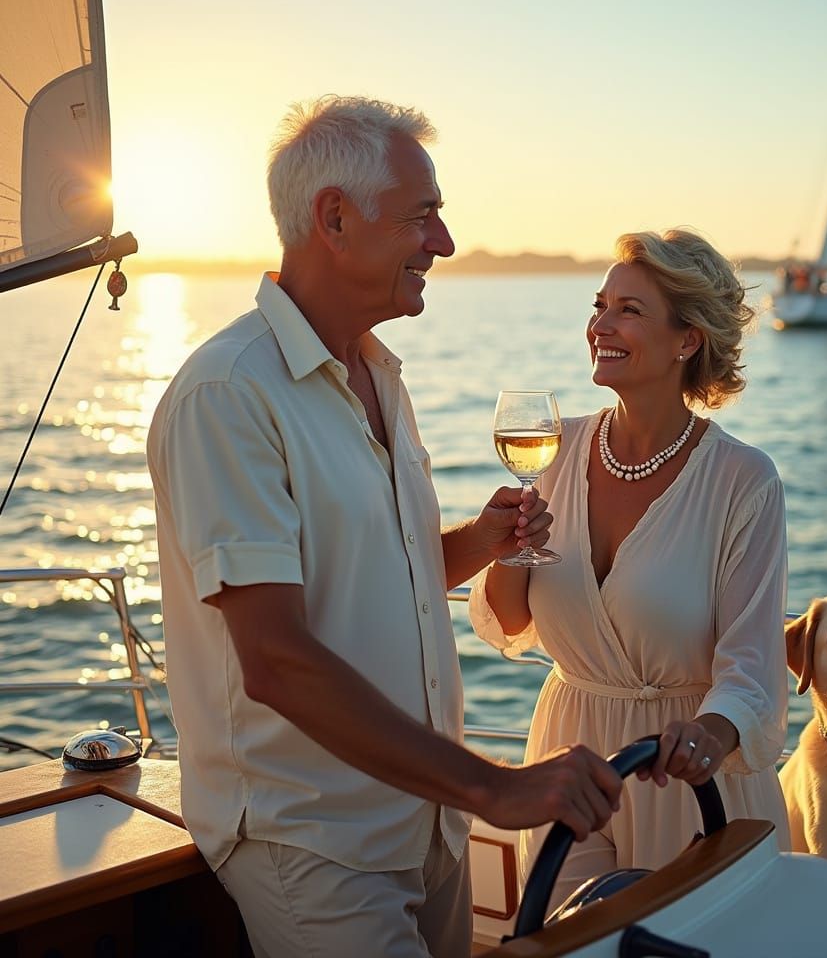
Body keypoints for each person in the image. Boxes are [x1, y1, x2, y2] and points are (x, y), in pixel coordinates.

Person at [146, 95, 623, 958]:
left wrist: (479, 545)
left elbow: (377, 578)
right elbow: (278, 661)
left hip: (424, 828)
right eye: (423, 217)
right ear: (335, 218)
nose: (443, 244)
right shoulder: (229, 395)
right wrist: (496, 789)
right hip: (318, 844)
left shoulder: (376, 373)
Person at [469, 227, 791, 911]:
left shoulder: (744, 481)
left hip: (688, 773)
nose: (599, 325)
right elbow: (512, 619)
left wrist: (707, 736)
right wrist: (505, 550)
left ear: (687, 339)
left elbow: (753, 668)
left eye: (628, 310)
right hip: (568, 756)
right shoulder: (553, 450)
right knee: (569, 935)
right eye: (599, 304)